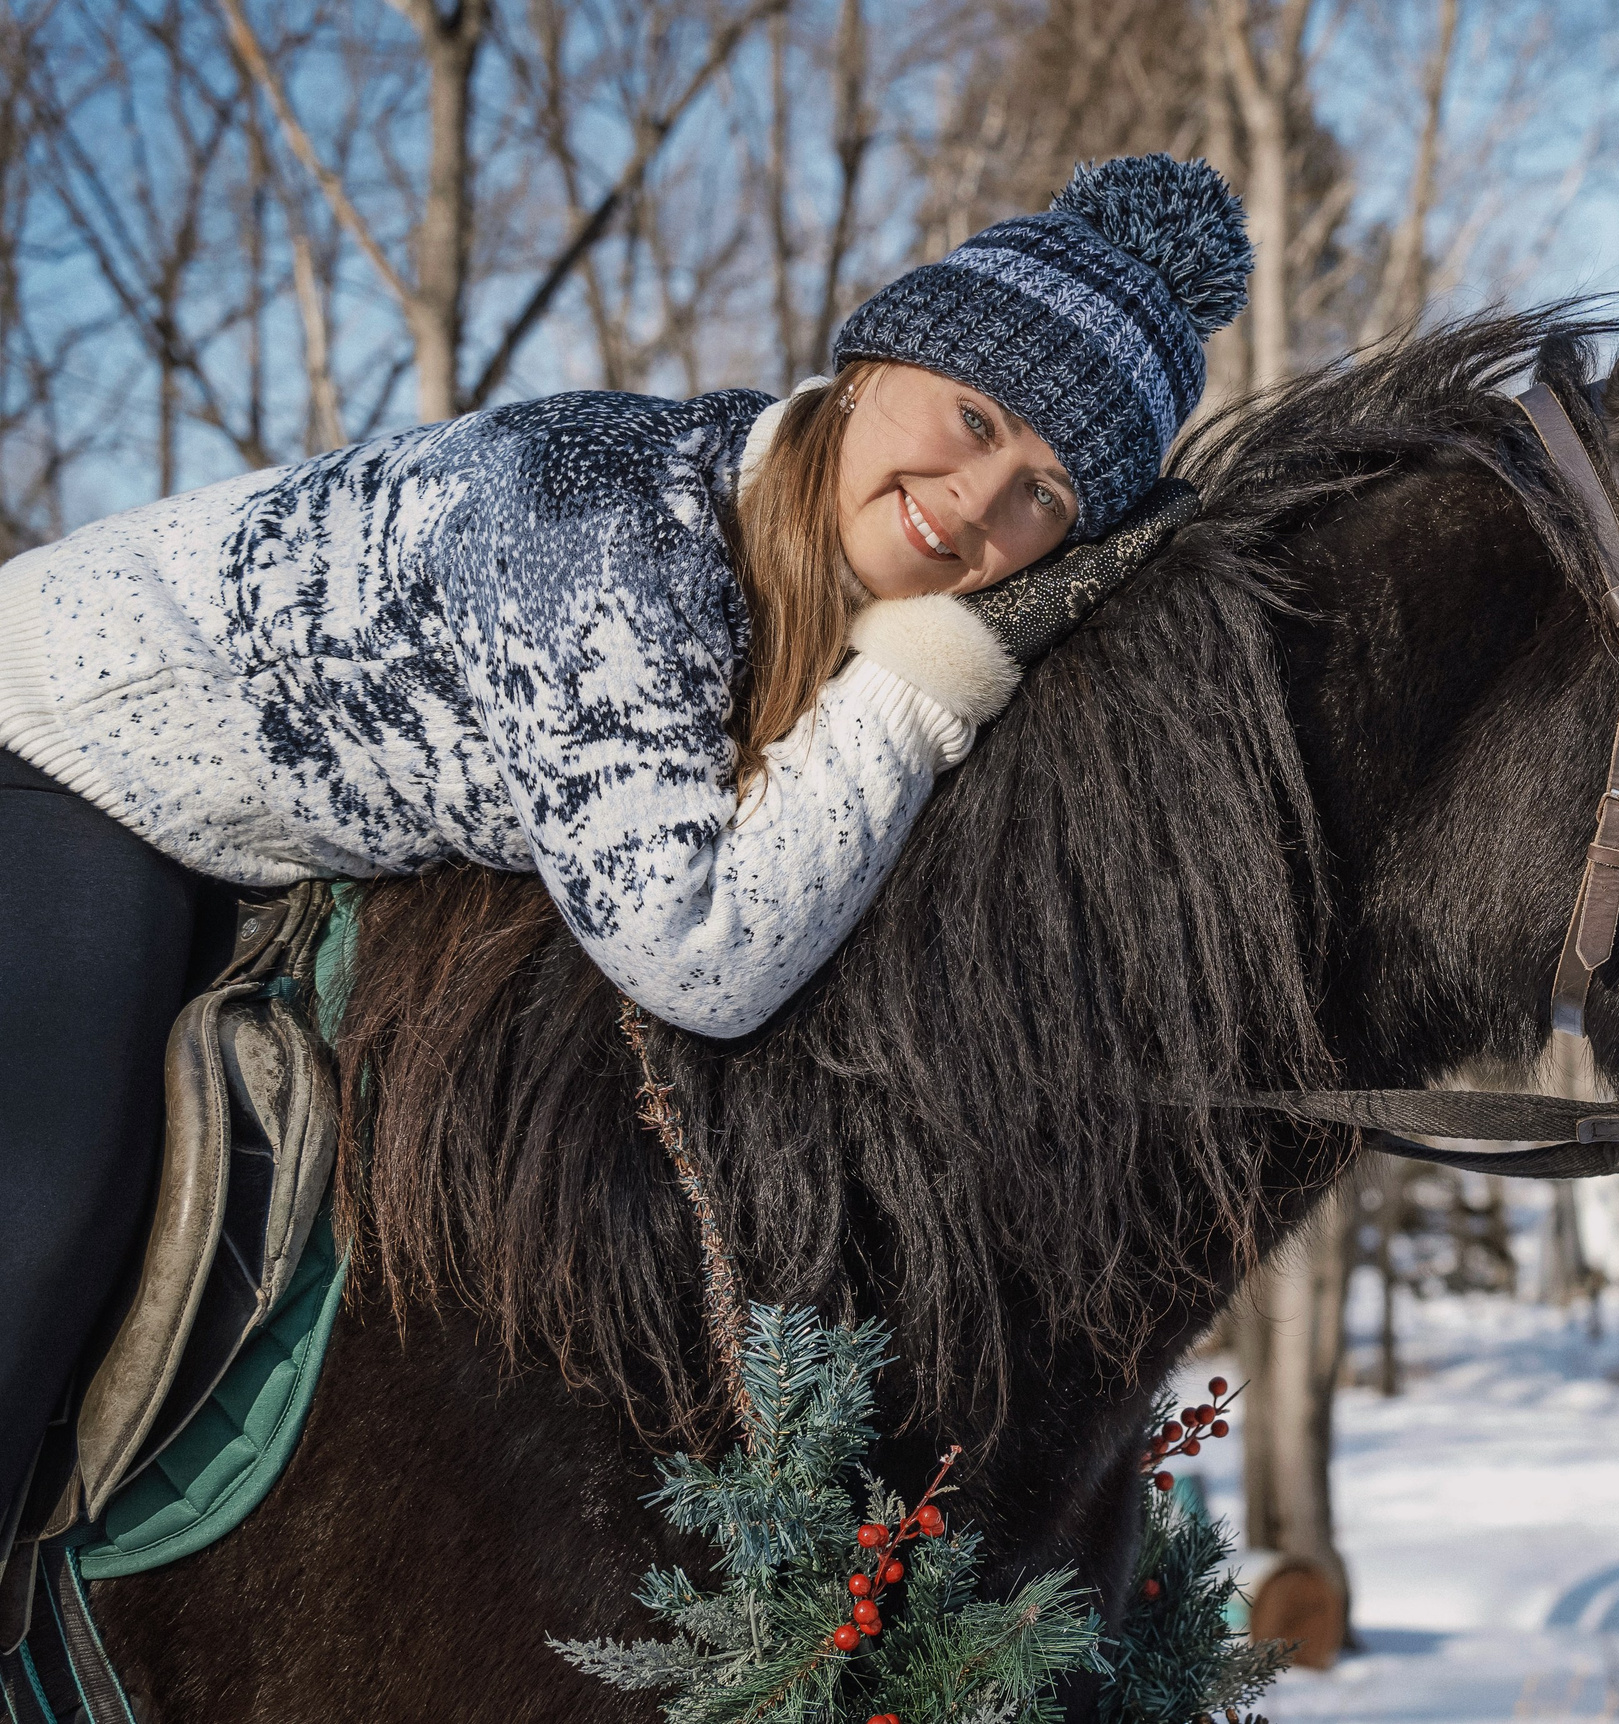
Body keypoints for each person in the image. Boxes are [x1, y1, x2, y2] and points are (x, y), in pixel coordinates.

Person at [0, 154, 1252, 1556]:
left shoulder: (800, 557)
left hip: (247, 829)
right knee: (48, 1219)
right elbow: (694, 955)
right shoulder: (596, 529)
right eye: (974, 417)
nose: (977, 502)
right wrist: (927, 673)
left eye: (1048, 496)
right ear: (882, 356)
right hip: (62, 748)